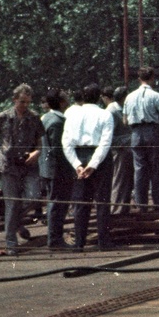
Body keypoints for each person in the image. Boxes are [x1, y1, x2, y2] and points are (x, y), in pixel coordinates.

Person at [0, 84, 43, 256]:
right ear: (14, 100)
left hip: (28, 164)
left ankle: (16, 222)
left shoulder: (34, 118)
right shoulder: (3, 117)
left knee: (34, 196)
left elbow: (40, 141)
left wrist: (37, 152)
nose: (25, 105)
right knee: (12, 203)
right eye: (22, 102)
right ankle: (11, 243)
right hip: (8, 165)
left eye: (28, 102)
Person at [62, 84, 115, 252]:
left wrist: (77, 164)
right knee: (102, 201)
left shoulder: (71, 115)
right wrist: (93, 164)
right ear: (99, 96)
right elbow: (105, 142)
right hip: (99, 157)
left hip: (78, 156)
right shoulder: (105, 114)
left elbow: (66, 143)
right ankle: (104, 242)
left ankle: (79, 242)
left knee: (80, 202)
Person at [122, 68, 159, 208]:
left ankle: (141, 204)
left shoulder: (129, 97)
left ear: (139, 79)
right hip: (152, 131)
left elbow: (124, 120)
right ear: (152, 78)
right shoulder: (156, 95)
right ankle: (158, 204)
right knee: (156, 169)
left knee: (140, 169)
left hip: (136, 133)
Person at [40, 90, 72, 250]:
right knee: (58, 204)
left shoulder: (45, 118)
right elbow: (58, 150)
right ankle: (55, 239)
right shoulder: (57, 122)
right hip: (58, 170)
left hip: (47, 169)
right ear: (60, 102)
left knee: (54, 202)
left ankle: (54, 237)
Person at [108, 85, 134, 212]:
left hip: (126, 151)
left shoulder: (124, 109)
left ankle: (123, 208)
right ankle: (116, 210)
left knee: (126, 181)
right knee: (119, 180)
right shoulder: (112, 112)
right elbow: (109, 137)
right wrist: (129, 139)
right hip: (119, 151)